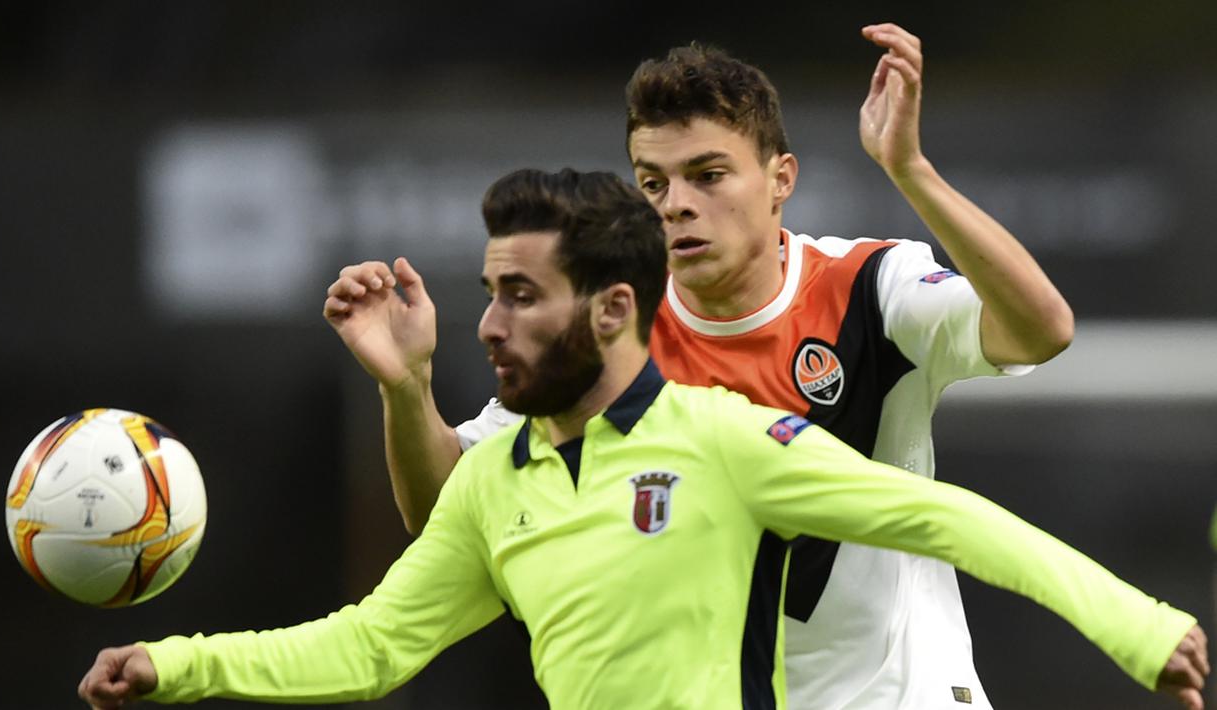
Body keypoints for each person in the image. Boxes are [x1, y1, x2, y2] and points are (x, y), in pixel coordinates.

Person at [80, 168, 1208, 710]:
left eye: (523, 296)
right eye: (488, 291)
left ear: (613, 310)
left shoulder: (719, 439)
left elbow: (939, 515)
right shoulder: (494, 484)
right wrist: (179, 663)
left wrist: (1136, 622)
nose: (489, 323)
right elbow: (372, 644)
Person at [323, 23, 1079, 709]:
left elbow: (1040, 331)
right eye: (653, 183)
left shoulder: (870, 289)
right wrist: (405, 384)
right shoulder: (603, 334)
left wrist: (908, 169)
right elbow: (443, 513)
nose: (675, 205)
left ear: (780, 178)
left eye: (708, 175)